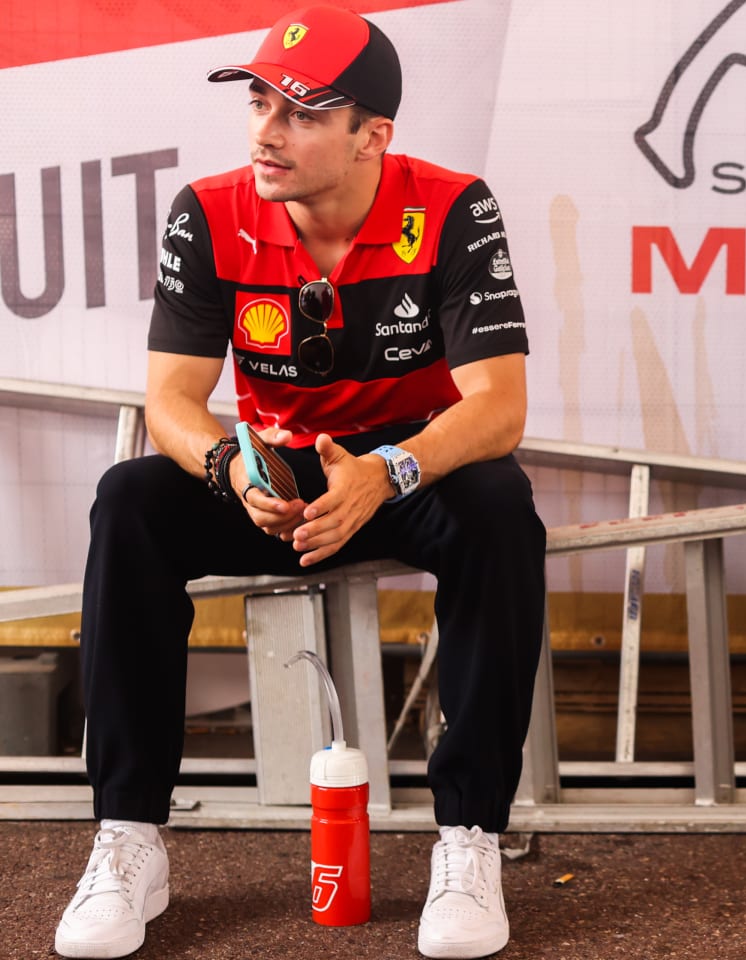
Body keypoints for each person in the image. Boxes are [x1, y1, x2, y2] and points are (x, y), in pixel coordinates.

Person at [52, 6, 546, 958]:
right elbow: (172, 399)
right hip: (272, 470)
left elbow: (498, 409)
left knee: (498, 506)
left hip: (407, 467)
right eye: (259, 100)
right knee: (129, 502)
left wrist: (388, 470)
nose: (267, 130)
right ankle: (129, 835)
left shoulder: (451, 206)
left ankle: (469, 835)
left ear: (374, 136)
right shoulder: (209, 209)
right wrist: (225, 463)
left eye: (305, 110)